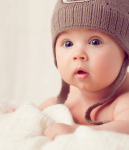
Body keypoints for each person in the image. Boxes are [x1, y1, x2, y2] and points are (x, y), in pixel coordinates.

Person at [39, 0, 129, 140]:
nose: (78, 54)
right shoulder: (71, 95)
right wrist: (26, 113)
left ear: (125, 52)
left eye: (95, 42)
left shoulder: (124, 101)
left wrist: (77, 131)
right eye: (68, 44)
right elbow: (54, 104)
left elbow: (125, 128)